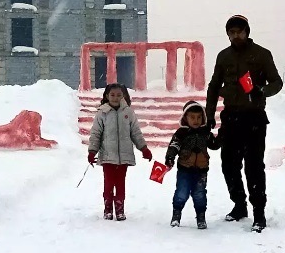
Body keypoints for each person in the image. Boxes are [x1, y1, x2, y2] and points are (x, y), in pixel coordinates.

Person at [205, 14, 283, 231]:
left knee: (254, 167)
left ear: (247, 32)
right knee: (229, 165)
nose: (236, 35)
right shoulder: (224, 57)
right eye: (232, 32)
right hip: (230, 117)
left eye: (239, 31)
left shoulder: (261, 54)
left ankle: (259, 213)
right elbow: (213, 86)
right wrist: (209, 114)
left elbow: (277, 82)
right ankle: (239, 205)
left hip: (254, 119)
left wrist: (262, 90)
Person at [87, 82, 151, 221]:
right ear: (106, 96)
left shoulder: (128, 113)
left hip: (124, 156)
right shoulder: (102, 113)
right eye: (112, 95)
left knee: (120, 183)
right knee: (109, 182)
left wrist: (143, 148)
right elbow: (96, 134)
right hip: (108, 155)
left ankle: (120, 209)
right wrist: (92, 151)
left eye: (119, 95)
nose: (115, 98)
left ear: (124, 96)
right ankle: (108, 208)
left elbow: (135, 132)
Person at [163, 100, 220, 229]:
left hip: (201, 170)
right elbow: (174, 145)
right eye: (192, 117)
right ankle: (176, 214)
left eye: (199, 117)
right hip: (185, 169)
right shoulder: (181, 133)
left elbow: (214, 145)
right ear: (185, 118)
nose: (196, 120)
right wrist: (170, 157)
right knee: (181, 193)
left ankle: (201, 216)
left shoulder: (205, 133)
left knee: (200, 194)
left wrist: (221, 136)